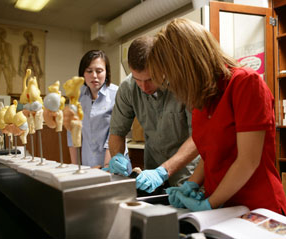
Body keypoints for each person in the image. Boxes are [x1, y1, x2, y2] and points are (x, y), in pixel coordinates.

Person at [147, 18, 286, 214]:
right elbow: (210, 153)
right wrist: (191, 184)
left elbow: (248, 161)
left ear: (187, 66)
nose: (172, 84)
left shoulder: (246, 83)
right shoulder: (203, 97)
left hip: (257, 208)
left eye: (171, 76)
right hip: (221, 208)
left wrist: (210, 203)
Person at [106, 36, 199, 193]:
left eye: (150, 79)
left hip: (188, 176)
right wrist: (117, 157)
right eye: (137, 80)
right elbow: (117, 132)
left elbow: (198, 137)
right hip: (152, 177)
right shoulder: (128, 88)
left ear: (163, 66)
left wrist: (163, 171)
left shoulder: (184, 85)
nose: (143, 87)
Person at [67, 50, 118, 168]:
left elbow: (115, 134)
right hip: (87, 163)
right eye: (89, 71)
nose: (94, 76)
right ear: (82, 74)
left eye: (99, 71)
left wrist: (106, 167)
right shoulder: (76, 97)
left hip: (113, 163)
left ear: (106, 72)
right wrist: (74, 167)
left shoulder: (117, 94)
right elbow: (72, 134)